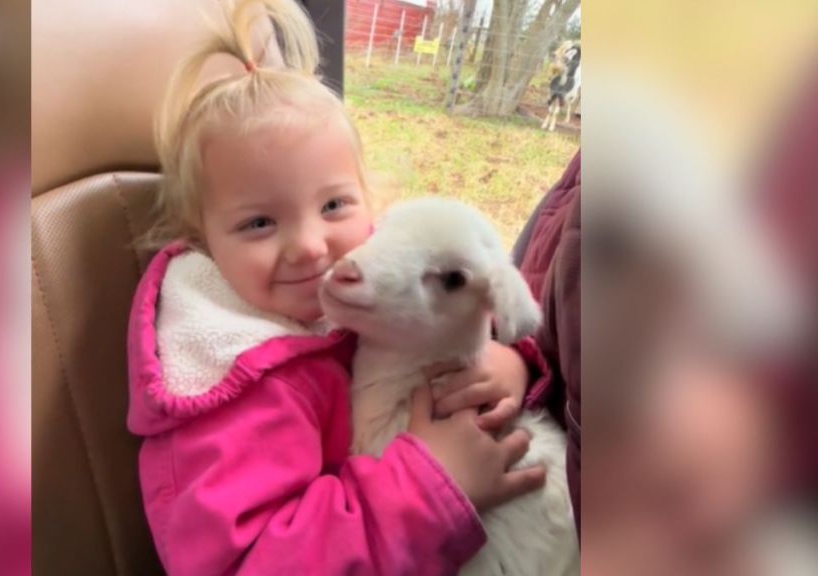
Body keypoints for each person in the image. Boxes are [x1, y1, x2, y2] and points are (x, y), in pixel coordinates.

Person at [125, 0, 552, 573]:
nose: (309, 245)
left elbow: (436, 300)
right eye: (258, 223)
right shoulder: (231, 383)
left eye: (333, 204)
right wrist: (429, 485)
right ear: (201, 239)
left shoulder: (354, 274)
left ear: (365, 198)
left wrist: (504, 362)